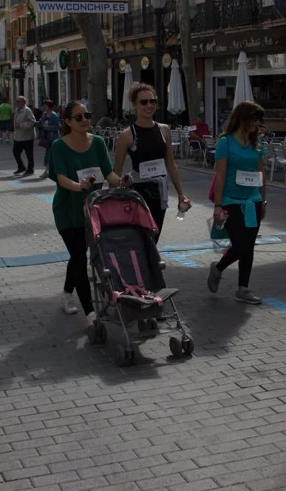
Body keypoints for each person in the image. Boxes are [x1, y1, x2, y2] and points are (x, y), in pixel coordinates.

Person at [48, 101, 126, 317]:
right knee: (80, 257)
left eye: (87, 115)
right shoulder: (59, 146)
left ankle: (66, 292)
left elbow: (108, 173)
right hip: (68, 210)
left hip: (94, 209)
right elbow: (61, 178)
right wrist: (78, 186)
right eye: (79, 117)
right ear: (68, 122)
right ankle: (90, 313)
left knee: (81, 256)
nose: (85, 120)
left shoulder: (99, 142)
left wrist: (121, 183)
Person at [207, 100, 267, 305]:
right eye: (254, 119)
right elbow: (220, 175)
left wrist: (264, 199)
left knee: (248, 246)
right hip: (231, 201)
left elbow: (261, 174)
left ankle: (243, 289)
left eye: (259, 120)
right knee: (241, 245)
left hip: (253, 201)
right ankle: (218, 268)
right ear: (243, 118)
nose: (257, 124)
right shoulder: (226, 142)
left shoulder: (257, 145)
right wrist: (217, 204)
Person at [113, 83, 189, 243]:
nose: (149, 105)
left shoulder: (164, 130)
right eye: (143, 102)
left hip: (159, 192)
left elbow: (171, 164)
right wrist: (114, 196)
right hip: (138, 193)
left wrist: (181, 194)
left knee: (154, 239)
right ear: (134, 105)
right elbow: (116, 172)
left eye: (152, 101)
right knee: (141, 241)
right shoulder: (126, 135)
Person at [12, 96, 37, 176]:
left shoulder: (27, 110)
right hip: (18, 136)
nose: (16, 103)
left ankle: (30, 169)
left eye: (18, 101)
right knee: (15, 152)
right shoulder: (17, 110)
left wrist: (21, 125)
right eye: (16, 101)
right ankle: (21, 166)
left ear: (23, 102)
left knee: (29, 154)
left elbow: (33, 122)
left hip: (27, 137)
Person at [38, 100, 61, 171]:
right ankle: (49, 170)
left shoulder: (54, 115)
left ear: (49, 106)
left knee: (50, 154)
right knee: (48, 153)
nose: (44, 107)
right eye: (44, 105)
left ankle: (47, 171)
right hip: (46, 137)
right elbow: (41, 122)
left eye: (45, 105)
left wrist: (47, 127)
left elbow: (57, 127)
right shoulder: (44, 114)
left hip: (53, 137)